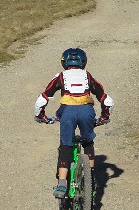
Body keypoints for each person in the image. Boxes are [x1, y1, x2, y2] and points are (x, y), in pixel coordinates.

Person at [35, 47, 113, 198]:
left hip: (67, 113)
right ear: (83, 62)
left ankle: (62, 184)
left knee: (66, 146)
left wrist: (41, 116)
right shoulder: (88, 76)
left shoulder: (60, 77)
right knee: (88, 141)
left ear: (64, 62)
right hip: (86, 112)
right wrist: (104, 117)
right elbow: (107, 100)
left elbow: (41, 100)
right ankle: (90, 178)